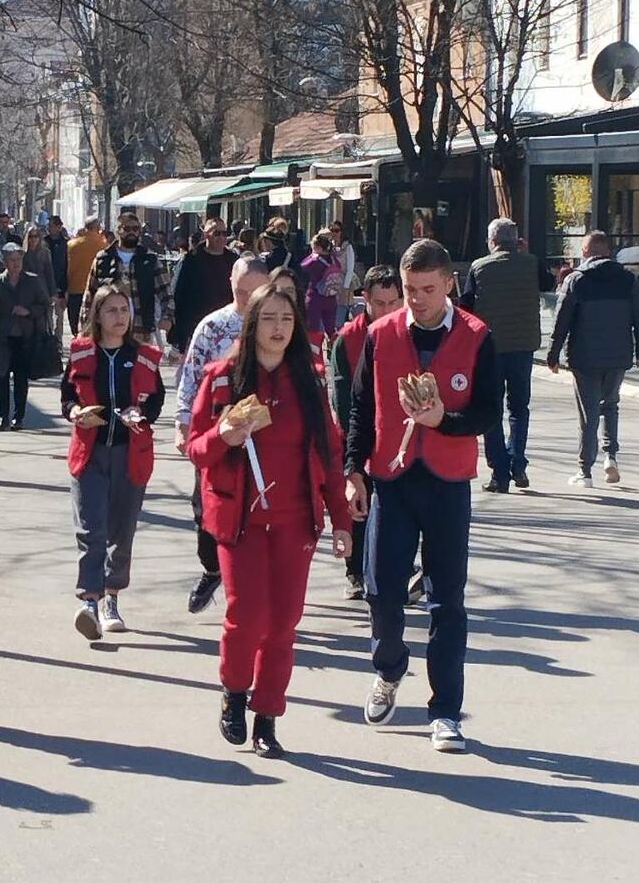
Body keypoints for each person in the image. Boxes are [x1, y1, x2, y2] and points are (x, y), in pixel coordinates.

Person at [345, 239, 500, 753]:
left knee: (446, 601)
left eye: (427, 290)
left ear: (449, 284)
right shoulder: (381, 333)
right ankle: (388, 669)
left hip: (447, 481)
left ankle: (446, 712)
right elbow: (360, 408)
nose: (417, 300)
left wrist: (444, 421)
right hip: (392, 477)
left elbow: (486, 415)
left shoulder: (477, 337)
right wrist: (352, 470)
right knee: (381, 591)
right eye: (410, 291)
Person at [187, 280, 351, 758]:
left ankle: (268, 716)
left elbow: (330, 450)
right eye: (269, 319)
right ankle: (234, 694)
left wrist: (341, 520)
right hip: (240, 519)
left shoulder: (310, 381)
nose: (278, 328)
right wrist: (224, 437)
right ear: (252, 324)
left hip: (296, 520)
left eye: (287, 319)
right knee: (246, 614)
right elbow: (197, 449)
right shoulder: (222, 378)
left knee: (284, 623)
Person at [62, 286, 164, 641]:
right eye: (111, 310)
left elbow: (156, 401)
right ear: (97, 316)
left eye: (124, 310)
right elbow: (67, 398)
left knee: (122, 532)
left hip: (130, 455)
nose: (119, 317)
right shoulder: (80, 353)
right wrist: (77, 413)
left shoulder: (146, 356)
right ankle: (89, 600)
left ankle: (112, 599)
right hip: (89, 454)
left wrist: (141, 413)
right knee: (92, 530)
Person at [175, 256, 270, 614]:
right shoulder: (213, 327)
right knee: (205, 512)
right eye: (241, 291)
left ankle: (247, 592)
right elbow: (192, 375)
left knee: (252, 515)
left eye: (255, 292)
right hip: (216, 435)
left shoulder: (276, 325)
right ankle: (212, 567)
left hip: (262, 440)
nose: (247, 299)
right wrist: (183, 422)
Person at [547, 230, 639, 487]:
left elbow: (562, 320)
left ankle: (585, 470)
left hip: (585, 356)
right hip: (618, 354)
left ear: (585, 252)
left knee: (588, 412)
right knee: (610, 405)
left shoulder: (576, 280)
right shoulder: (627, 280)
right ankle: (611, 457)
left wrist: (553, 353)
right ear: (609, 251)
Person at [329, 265, 404, 600]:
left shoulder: (409, 331)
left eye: (393, 302)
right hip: (360, 436)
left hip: (399, 438)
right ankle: (355, 571)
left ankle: (397, 569)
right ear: (365, 300)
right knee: (358, 505)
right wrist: (354, 444)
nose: (387, 310)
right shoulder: (347, 339)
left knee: (396, 509)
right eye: (380, 303)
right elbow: (342, 396)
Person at [460, 217, 543, 492]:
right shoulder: (531, 263)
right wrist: (525, 251)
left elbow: (466, 307)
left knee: (491, 407)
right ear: (516, 241)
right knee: (519, 407)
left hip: (490, 347)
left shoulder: (479, 267)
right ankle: (518, 462)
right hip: (523, 345)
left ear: (491, 241)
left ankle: (499, 472)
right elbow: (548, 283)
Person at [0, 243, 50, 430]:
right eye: (12, 260)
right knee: (1, 378)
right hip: (2, 339)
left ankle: (18, 417)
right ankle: (3, 417)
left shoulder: (32, 281)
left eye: (18, 260)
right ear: (5, 262)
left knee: (21, 379)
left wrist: (28, 311)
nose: (16, 264)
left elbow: (45, 306)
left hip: (25, 338)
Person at [80, 212, 173, 343]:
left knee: (139, 363)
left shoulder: (150, 259)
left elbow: (166, 292)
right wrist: (85, 327)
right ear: (118, 230)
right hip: (108, 330)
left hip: (141, 329)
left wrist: (167, 316)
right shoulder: (103, 258)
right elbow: (90, 295)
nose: (132, 232)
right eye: (127, 229)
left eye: (135, 229)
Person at [170, 217, 238, 356]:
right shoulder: (191, 260)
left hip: (227, 328)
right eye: (217, 233)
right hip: (196, 328)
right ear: (206, 234)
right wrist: (178, 336)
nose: (221, 237)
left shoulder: (233, 261)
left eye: (224, 233)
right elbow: (177, 295)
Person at [67, 216, 108, 336]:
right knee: (94, 325)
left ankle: (77, 342)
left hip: (75, 288)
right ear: (98, 227)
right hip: (95, 290)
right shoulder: (102, 244)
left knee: (75, 323)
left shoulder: (72, 244)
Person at [300, 230, 343, 340]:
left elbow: (303, 266)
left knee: (313, 328)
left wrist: (311, 256)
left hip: (315, 297)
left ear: (318, 248)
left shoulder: (314, 261)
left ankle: (314, 352)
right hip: (331, 297)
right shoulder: (333, 260)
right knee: (331, 328)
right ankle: (334, 349)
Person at [45, 216, 69, 350]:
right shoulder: (44, 242)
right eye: (49, 225)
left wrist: (65, 288)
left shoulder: (66, 244)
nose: (49, 227)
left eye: (52, 225)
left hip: (60, 285)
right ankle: (49, 341)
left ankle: (58, 342)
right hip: (45, 286)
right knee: (47, 315)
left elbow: (67, 266)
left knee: (59, 317)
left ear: (59, 227)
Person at [24, 225, 57, 303]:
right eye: (31, 236)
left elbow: (49, 273)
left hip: (42, 287)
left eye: (36, 236)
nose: (33, 239)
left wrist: (53, 293)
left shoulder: (45, 252)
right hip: (27, 289)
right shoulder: (23, 253)